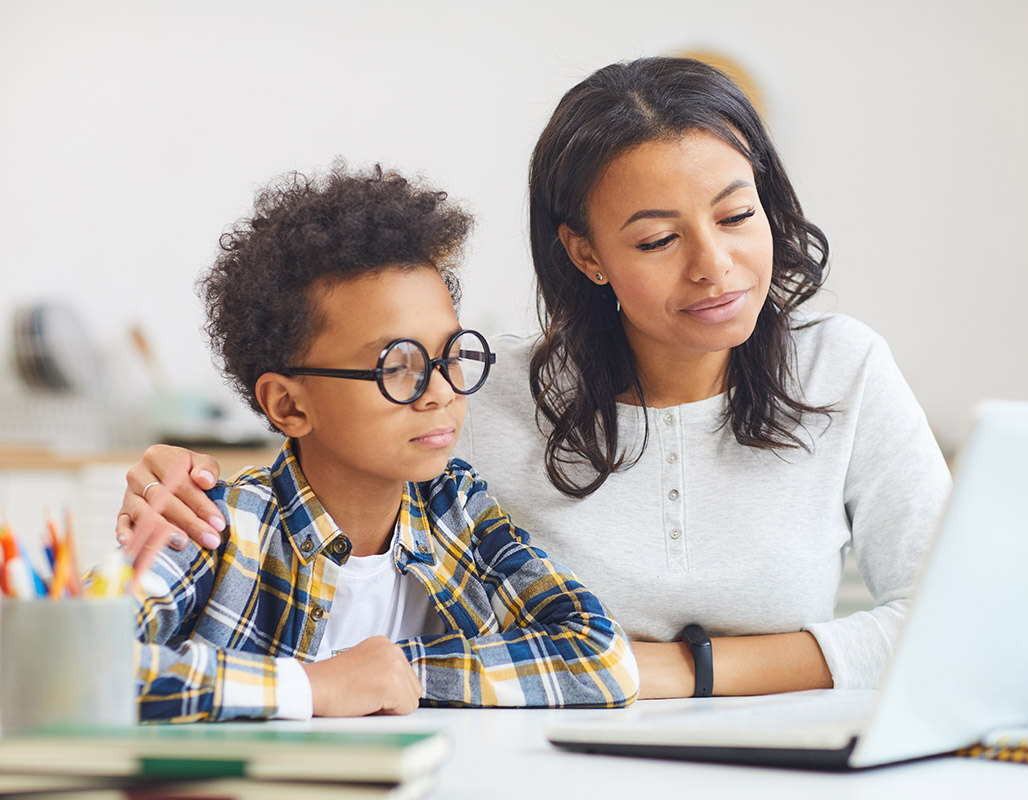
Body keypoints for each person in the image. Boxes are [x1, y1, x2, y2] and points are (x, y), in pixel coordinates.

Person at [119, 57, 950, 701]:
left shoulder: (847, 368)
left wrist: (675, 672)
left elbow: (953, 624)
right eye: (659, 240)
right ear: (586, 254)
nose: (716, 266)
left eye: (738, 216)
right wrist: (180, 479)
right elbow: (339, 445)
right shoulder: (482, 393)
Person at [131, 164, 638, 723]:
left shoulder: (456, 511)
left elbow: (603, 659)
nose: (441, 391)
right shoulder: (216, 527)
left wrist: (397, 669)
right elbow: (65, 668)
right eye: (397, 366)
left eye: (450, 355)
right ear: (289, 405)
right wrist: (310, 687)